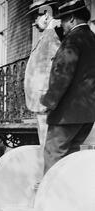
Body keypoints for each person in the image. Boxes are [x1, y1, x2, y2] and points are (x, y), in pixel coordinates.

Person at [40, 0, 95, 174]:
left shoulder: (72, 41)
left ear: (71, 19)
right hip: (87, 114)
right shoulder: (91, 38)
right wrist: (54, 27)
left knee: (53, 156)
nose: (61, 24)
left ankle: (49, 199)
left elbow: (62, 75)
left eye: (63, 20)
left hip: (66, 115)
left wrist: (48, 101)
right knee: (70, 160)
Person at [24, 0, 62, 148]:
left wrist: (49, 99)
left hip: (47, 103)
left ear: (46, 14)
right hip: (42, 103)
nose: (33, 21)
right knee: (45, 148)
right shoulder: (49, 33)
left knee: (49, 149)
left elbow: (56, 68)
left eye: (35, 16)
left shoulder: (56, 32)